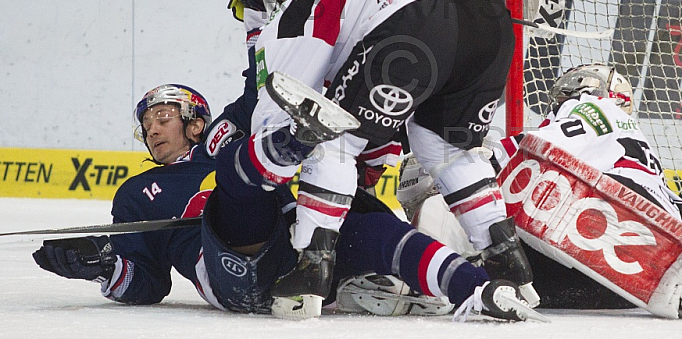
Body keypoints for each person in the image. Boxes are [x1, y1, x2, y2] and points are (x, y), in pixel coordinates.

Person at [32, 84, 542, 321]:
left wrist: (260, 13)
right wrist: (101, 266)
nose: (152, 129)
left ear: (194, 120)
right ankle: (294, 146)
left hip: (299, 250)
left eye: (163, 116)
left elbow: (265, 84)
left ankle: (481, 291)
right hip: (236, 276)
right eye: (146, 125)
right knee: (239, 185)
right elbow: (147, 282)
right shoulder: (136, 194)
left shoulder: (224, 139)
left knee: (369, 226)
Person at [222, 0, 535, 304]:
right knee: (446, 148)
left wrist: (271, 158)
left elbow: (279, 112)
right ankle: (508, 261)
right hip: (489, 16)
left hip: (418, 19)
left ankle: (311, 269)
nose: (278, 0)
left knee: (328, 137)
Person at [398, 63, 682, 318]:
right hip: (626, 284)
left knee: (461, 175)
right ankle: (469, 274)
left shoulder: (592, 107)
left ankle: (422, 273)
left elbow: (529, 152)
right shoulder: (635, 147)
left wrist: (458, 163)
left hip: (600, 242)